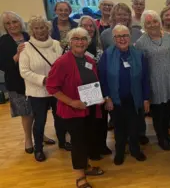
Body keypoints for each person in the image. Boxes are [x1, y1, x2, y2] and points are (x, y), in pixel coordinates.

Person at [46, 28, 105, 188]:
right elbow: (51, 87)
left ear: (88, 42)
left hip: (90, 108)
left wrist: (98, 97)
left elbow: (93, 81)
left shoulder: (89, 60)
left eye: (83, 39)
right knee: (78, 142)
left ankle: (86, 166)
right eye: (76, 39)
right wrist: (72, 102)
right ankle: (80, 177)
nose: (80, 42)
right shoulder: (62, 62)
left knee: (88, 139)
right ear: (70, 41)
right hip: (73, 110)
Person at [19, 15, 69, 162]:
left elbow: (63, 64)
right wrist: (45, 80)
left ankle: (62, 141)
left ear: (48, 28)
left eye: (42, 27)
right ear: (31, 30)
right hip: (37, 92)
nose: (40, 31)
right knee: (40, 121)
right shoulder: (26, 48)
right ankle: (38, 148)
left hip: (57, 90)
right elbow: (24, 71)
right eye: (36, 28)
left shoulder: (56, 44)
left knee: (60, 118)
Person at [99, 25, 150, 165]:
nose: (122, 39)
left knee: (134, 127)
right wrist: (107, 97)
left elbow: (145, 78)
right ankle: (120, 151)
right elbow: (102, 78)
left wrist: (146, 98)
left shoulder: (139, 54)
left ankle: (135, 150)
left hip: (135, 98)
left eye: (125, 35)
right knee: (119, 128)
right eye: (118, 36)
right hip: (115, 100)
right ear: (114, 38)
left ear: (130, 37)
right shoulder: (107, 55)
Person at [135, 10, 170, 150]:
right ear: (144, 25)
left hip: (169, 80)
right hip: (154, 82)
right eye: (148, 23)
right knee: (158, 113)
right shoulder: (141, 42)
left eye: (155, 21)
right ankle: (161, 138)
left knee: (167, 110)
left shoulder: (168, 38)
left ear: (160, 22)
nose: (152, 25)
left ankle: (167, 133)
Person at [0, 12, 35, 153]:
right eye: (8, 23)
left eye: (14, 21)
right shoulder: (3, 41)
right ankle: (28, 138)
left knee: (38, 110)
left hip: (34, 79)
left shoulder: (29, 36)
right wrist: (16, 56)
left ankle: (39, 134)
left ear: (20, 22)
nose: (12, 25)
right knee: (25, 112)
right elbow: (3, 65)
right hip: (17, 82)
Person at [78, 16, 111, 156]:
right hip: (85, 88)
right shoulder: (76, 46)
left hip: (100, 86)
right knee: (89, 120)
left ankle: (102, 145)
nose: (89, 28)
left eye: (91, 26)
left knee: (102, 118)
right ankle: (92, 149)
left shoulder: (99, 45)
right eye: (85, 26)